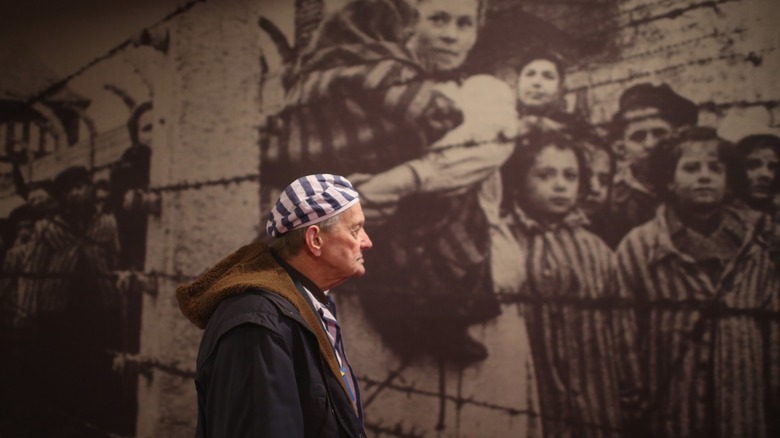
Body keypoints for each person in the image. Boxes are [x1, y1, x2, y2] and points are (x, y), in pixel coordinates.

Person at [177, 174, 372, 437]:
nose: (366, 242)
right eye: (355, 229)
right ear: (315, 240)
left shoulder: (307, 304)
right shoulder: (259, 324)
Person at [614, 127, 780, 437]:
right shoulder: (640, 247)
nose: (704, 177)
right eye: (691, 168)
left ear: (729, 179)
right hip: (671, 406)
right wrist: (633, 400)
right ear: (669, 180)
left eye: (715, 169)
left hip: (744, 406)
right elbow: (625, 334)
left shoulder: (759, 244)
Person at [501, 131, 624, 437]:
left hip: (593, 386)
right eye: (545, 175)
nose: (560, 185)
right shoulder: (503, 242)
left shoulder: (596, 250)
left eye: (570, 176)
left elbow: (621, 324)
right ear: (517, 184)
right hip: (527, 384)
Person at [605, 82, 698, 247]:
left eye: (659, 133)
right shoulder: (609, 200)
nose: (650, 144)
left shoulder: (698, 186)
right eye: (638, 136)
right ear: (621, 148)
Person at [110, 101, 153, 271]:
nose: (156, 134)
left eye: (162, 125)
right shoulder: (124, 171)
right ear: (136, 136)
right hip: (140, 256)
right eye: (147, 129)